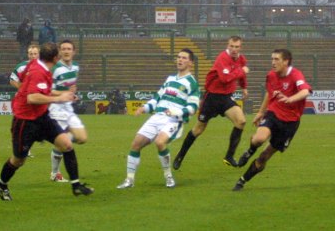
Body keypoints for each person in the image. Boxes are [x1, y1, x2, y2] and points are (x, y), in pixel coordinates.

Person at [0, 42, 94, 201]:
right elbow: (32, 97)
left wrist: (62, 94)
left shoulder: (37, 65)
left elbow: (33, 87)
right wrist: (59, 97)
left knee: (67, 145)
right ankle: (1, 183)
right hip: (24, 121)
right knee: (19, 160)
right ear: (55, 57)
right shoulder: (38, 71)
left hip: (42, 116)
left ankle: (76, 185)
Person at [117, 48, 200, 189]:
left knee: (160, 142)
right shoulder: (170, 79)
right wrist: (144, 108)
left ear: (191, 63)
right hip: (157, 117)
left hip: (173, 120)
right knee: (135, 144)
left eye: (184, 58)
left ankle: (168, 176)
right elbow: (157, 99)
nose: (180, 60)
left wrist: (176, 112)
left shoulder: (192, 83)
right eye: (178, 57)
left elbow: (193, 107)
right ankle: (129, 180)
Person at [232, 49, 312, 191]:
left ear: (286, 61)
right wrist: (261, 112)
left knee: (264, 156)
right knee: (259, 139)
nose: (273, 62)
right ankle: (249, 151)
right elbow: (270, 94)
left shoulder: (295, 75)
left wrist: (290, 99)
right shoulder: (271, 75)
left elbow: (305, 91)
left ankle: (243, 180)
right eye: (272, 59)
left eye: (276, 59)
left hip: (290, 122)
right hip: (274, 113)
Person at [173, 35, 249, 170]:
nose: (234, 49)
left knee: (241, 121)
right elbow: (225, 78)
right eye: (231, 46)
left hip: (226, 98)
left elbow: (241, 75)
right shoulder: (222, 58)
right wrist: (241, 71)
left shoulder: (241, 59)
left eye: (236, 47)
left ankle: (229, 156)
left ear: (240, 47)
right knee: (198, 129)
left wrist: (244, 87)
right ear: (228, 45)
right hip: (212, 97)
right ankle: (180, 155)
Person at [48, 39, 88, 182]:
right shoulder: (55, 68)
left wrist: (72, 93)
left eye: (69, 49)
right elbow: (47, 91)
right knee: (65, 142)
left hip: (68, 108)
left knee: (82, 138)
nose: (66, 51)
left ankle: (59, 142)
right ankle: (54, 173)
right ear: (59, 51)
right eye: (63, 49)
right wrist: (62, 95)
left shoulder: (76, 67)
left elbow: (70, 85)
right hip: (56, 109)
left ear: (73, 52)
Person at [9, 44, 40, 158]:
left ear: (39, 54)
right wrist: (22, 88)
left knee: (34, 126)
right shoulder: (22, 67)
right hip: (23, 100)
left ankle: (25, 146)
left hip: (37, 99)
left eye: (35, 54)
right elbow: (12, 80)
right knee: (24, 125)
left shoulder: (44, 67)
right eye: (31, 54)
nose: (33, 56)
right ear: (28, 54)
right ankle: (24, 148)